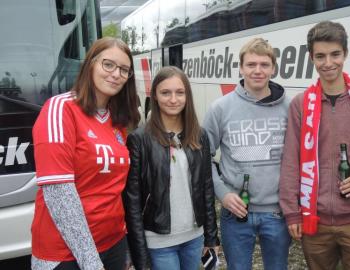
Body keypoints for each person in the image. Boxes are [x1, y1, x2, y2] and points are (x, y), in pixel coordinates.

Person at [279, 21, 350, 270]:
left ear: (345, 54)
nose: (328, 63)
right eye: (320, 56)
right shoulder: (301, 103)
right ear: (311, 58)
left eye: (335, 54)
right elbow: (291, 160)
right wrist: (292, 212)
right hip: (314, 219)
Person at [31, 37, 140, 270]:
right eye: (108, 64)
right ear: (91, 63)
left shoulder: (118, 121)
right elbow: (59, 193)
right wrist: (91, 262)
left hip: (113, 244)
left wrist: (125, 248)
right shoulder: (60, 109)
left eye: (124, 70)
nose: (115, 74)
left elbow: (115, 190)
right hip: (65, 253)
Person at [203, 37, 291, 270]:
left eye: (264, 64)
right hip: (236, 213)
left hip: (277, 214)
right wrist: (222, 193)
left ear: (273, 68)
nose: (258, 70)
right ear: (241, 68)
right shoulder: (220, 108)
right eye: (251, 64)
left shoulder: (289, 107)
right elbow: (204, 159)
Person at [123, 66, 220, 270]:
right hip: (159, 241)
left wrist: (211, 237)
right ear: (155, 97)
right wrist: (137, 253)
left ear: (187, 96)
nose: (173, 99)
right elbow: (133, 201)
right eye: (165, 92)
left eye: (180, 92)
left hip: (194, 236)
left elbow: (206, 187)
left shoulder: (199, 135)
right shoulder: (139, 139)